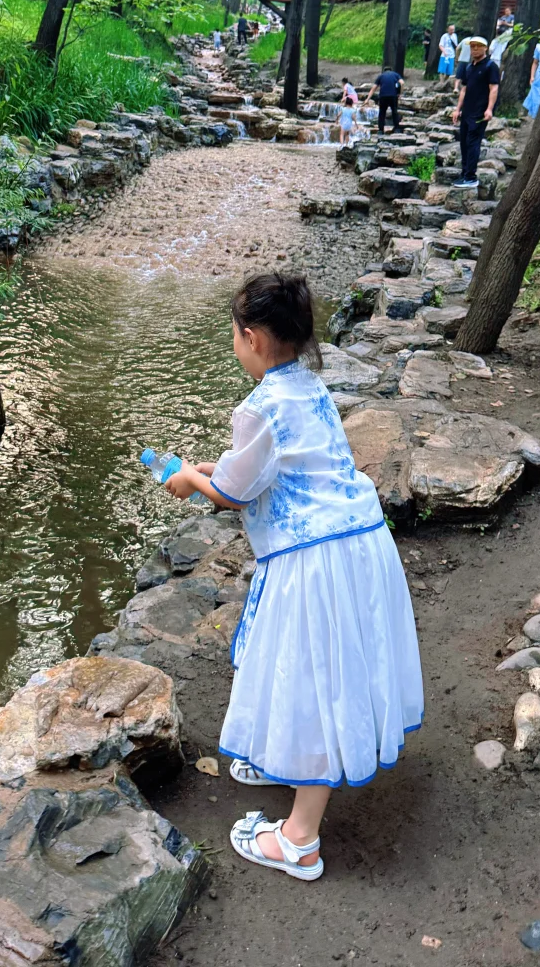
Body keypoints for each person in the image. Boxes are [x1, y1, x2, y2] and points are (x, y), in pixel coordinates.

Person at [161, 273, 423, 882]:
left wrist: (187, 477)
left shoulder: (257, 408)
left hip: (316, 563)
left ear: (250, 337)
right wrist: (213, 469)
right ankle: (288, 758)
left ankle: (300, 840)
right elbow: (263, 469)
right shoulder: (309, 386)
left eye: (234, 332)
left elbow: (230, 492)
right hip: (358, 543)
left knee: (312, 677)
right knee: (317, 667)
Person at [452, 36, 500, 186]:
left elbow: (494, 88)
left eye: (478, 46)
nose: (475, 49)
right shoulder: (469, 67)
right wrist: (457, 109)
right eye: (472, 47)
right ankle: (465, 173)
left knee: (473, 143)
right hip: (467, 111)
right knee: (464, 143)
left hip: (479, 112)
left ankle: (471, 177)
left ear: (485, 48)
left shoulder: (490, 66)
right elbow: (464, 90)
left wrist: (489, 109)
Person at [367, 66, 403, 134]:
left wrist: (367, 99)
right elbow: (402, 83)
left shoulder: (381, 76)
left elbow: (373, 88)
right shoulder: (395, 74)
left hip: (383, 96)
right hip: (393, 96)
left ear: (384, 71)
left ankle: (380, 130)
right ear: (391, 70)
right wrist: (400, 93)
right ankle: (397, 129)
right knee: (394, 112)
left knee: (382, 113)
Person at [337, 78, 359, 145]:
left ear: (343, 82)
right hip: (355, 98)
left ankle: (341, 145)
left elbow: (345, 92)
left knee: (341, 134)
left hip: (343, 124)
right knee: (347, 134)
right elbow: (354, 117)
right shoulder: (350, 85)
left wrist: (342, 98)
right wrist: (356, 124)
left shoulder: (346, 85)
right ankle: (347, 145)